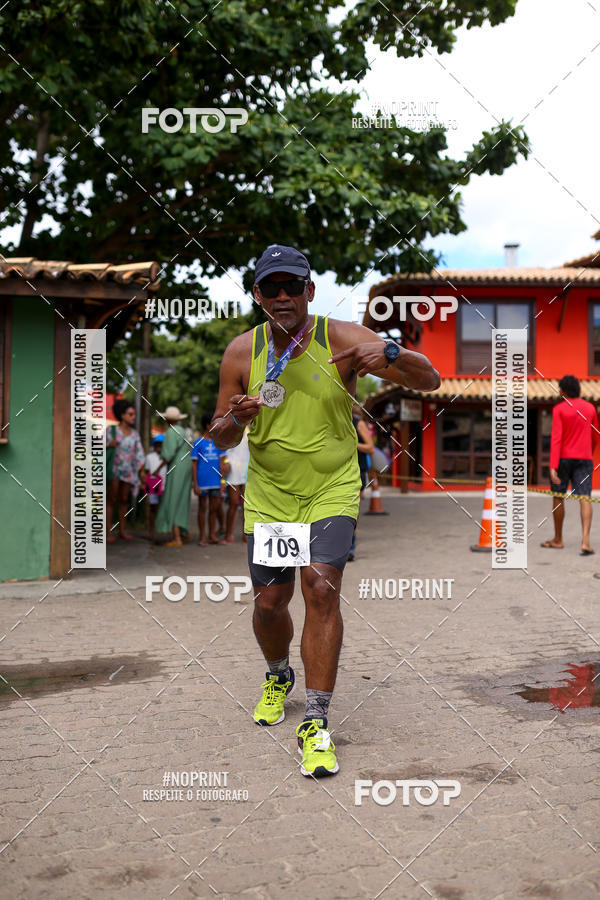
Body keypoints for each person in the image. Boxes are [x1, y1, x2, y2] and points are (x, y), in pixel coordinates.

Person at [210, 244, 440, 778]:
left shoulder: (340, 339)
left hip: (331, 488)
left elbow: (427, 380)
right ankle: (276, 674)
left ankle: (316, 721)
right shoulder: (242, 353)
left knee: (320, 587)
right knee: (271, 602)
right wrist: (237, 419)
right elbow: (218, 436)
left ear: (310, 290)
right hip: (271, 494)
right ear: (258, 296)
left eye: (294, 285)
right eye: (272, 287)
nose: (284, 296)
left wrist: (390, 353)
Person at [541, 375, 599, 555]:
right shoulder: (590, 408)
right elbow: (596, 435)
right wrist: (587, 451)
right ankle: (586, 542)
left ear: (564, 391)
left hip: (562, 460)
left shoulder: (559, 409)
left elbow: (556, 438)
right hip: (584, 459)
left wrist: (552, 466)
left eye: (560, 389)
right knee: (585, 497)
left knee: (558, 497)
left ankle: (558, 539)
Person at [106, 399, 145, 542]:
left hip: (129, 471)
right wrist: (109, 444)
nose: (133, 417)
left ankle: (122, 531)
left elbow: (139, 453)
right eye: (130, 414)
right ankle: (107, 532)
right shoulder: (111, 430)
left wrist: (141, 470)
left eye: (134, 414)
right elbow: (97, 445)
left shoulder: (135, 434)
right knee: (111, 499)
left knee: (123, 500)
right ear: (122, 415)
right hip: (115, 470)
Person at [155, 406, 192, 547]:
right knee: (182, 499)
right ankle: (184, 533)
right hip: (186, 464)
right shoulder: (183, 430)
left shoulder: (171, 432)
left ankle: (177, 537)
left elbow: (168, 455)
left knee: (173, 499)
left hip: (177, 466)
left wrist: (157, 469)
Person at [191, 413, 229, 546]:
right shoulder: (198, 443)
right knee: (202, 509)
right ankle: (202, 537)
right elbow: (194, 465)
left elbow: (222, 464)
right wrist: (195, 484)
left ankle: (212, 535)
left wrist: (223, 481)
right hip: (202, 482)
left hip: (216, 482)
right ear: (208, 426)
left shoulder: (219, 443)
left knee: (213, 509)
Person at [347, 405, 375, 562]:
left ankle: (350, 548)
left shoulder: (358, 423)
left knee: (351, 511)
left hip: (357, 470)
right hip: (336, 470)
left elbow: (370, 447)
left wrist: (351, 443)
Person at [223, 427, 250, 543]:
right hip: (233, 469)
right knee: (233, 504)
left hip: (247, 468)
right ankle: (229, 534)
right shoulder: (232, 428)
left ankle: (246, 535)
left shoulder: (251, 430)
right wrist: (225, 464)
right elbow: (225, 450)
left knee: (246, 506)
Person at [143, 434, 167, 539]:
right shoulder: (149, 457)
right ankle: (151, 530)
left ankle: (162, 530)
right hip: (153, 485)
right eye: (157, 445)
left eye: (161, 445)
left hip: (165, 486)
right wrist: (143, 480)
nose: (159, 447)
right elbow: (146, 471)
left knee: (163, 509)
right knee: (153, 508)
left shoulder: (167, 458)